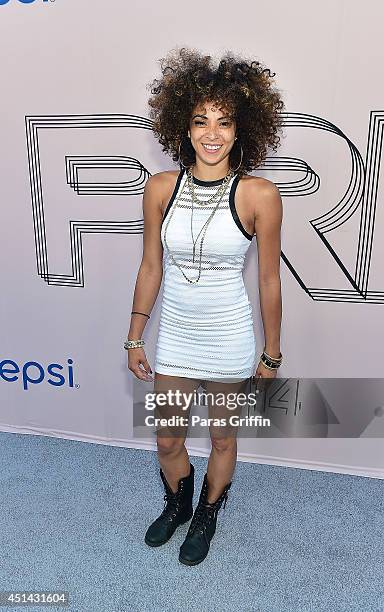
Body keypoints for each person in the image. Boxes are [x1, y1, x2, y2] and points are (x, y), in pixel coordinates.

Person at [125, 47, 284, 566]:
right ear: (183, 127)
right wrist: (134, 336)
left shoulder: (259, 194)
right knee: (167, 437)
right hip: (175, 333)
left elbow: (268, 279)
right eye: (200, 121)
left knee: (221, 437)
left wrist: (272, 351)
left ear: (242, 131)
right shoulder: (160, 188)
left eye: (224, 122)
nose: (212, 133)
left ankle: (208, 513)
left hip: (229, 336)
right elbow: (151, 267)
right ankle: (178, 502)